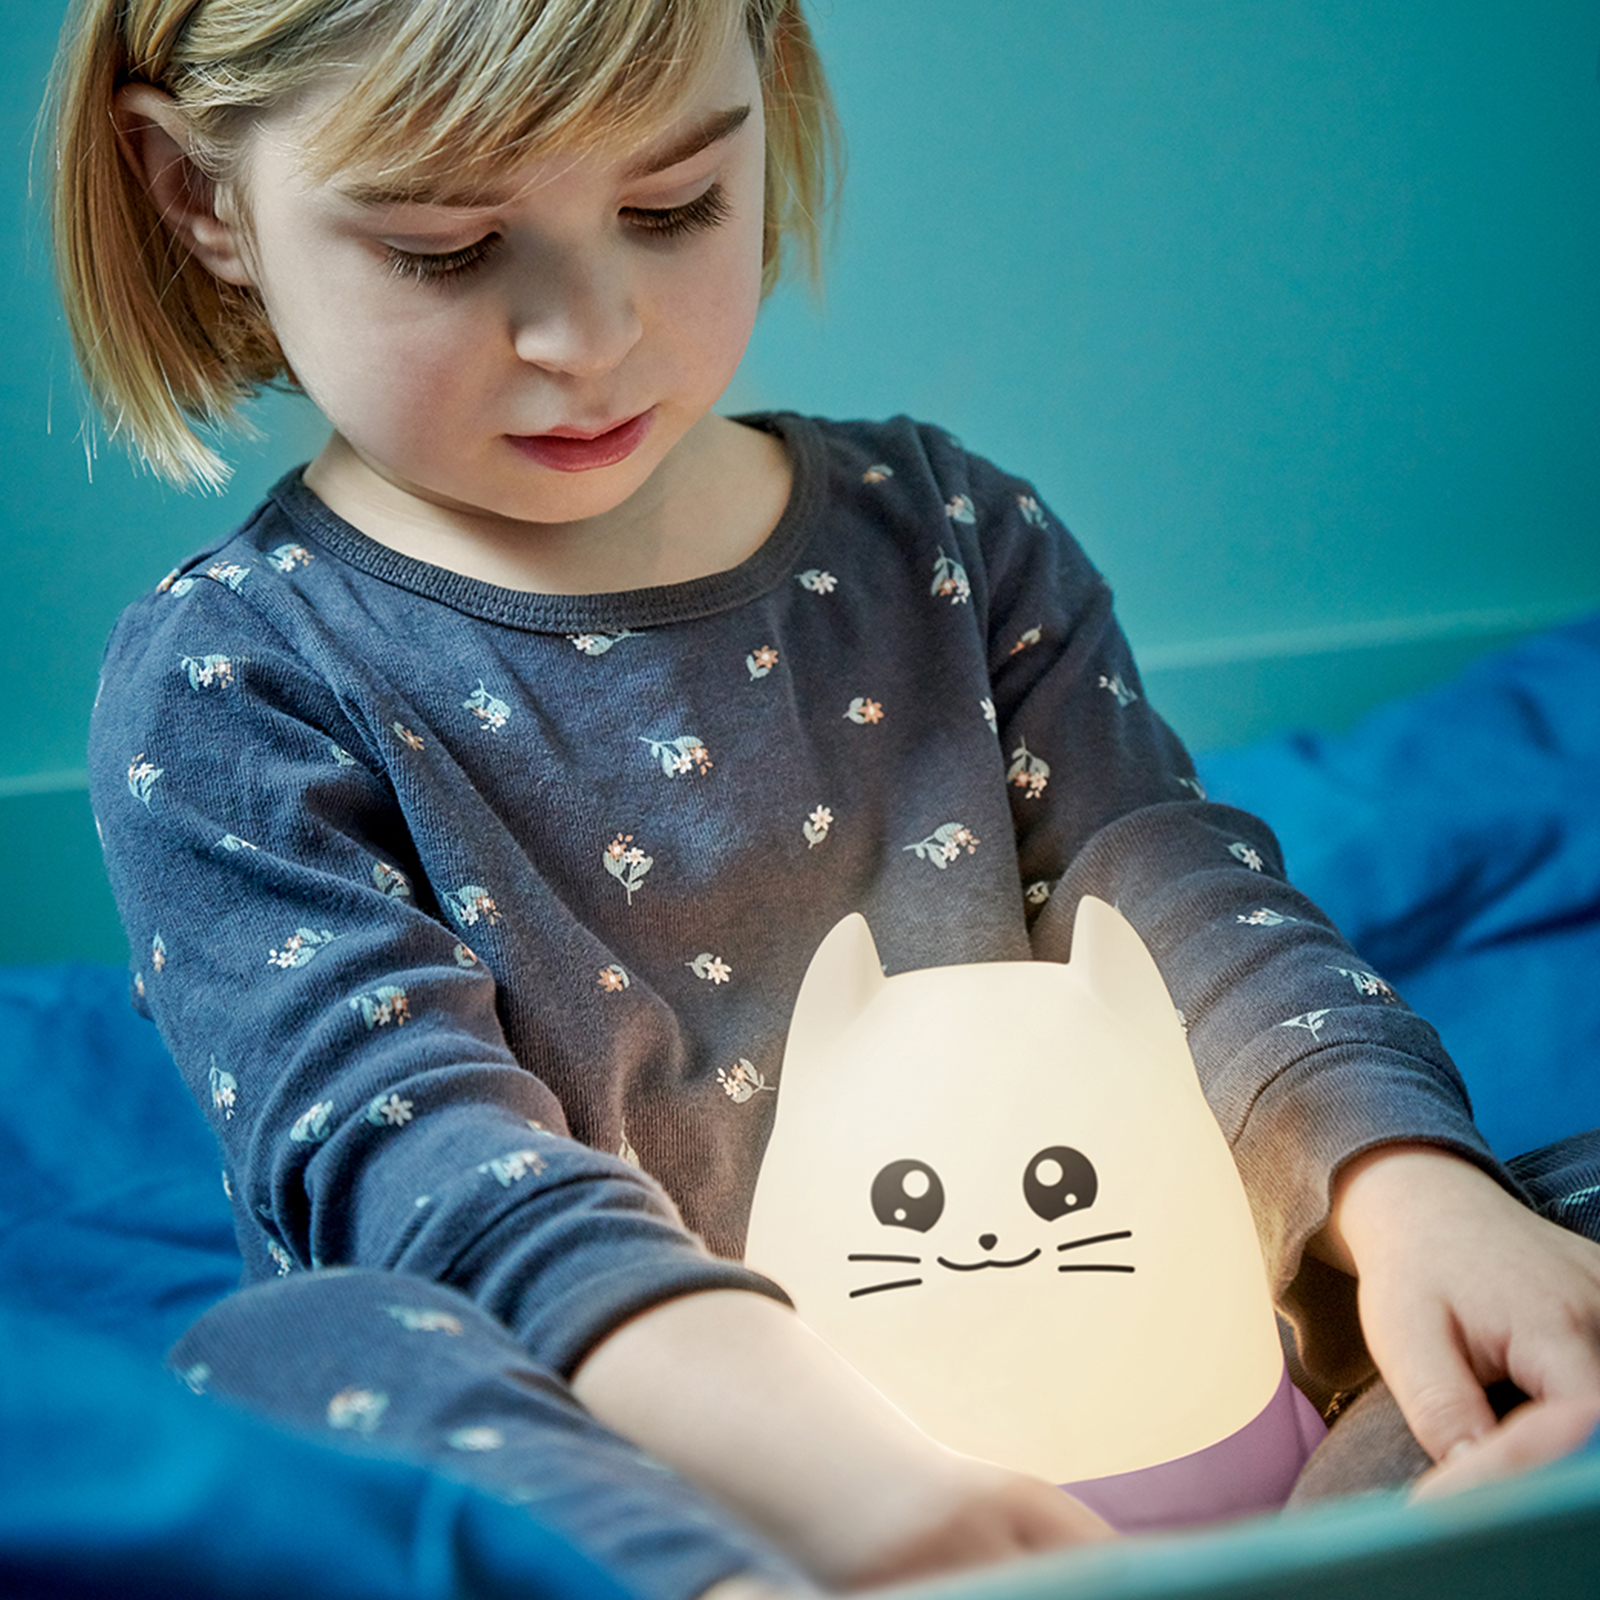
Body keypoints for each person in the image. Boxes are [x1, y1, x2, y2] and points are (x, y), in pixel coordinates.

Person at [49, 0, 1600, 1591]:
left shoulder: (948, 537)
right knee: (289, 1356)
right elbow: (409, 1154)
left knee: (1539, 1214)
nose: (591, 335)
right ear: (200, 196)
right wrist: (813, 1463)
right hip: (639, 1461)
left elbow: (1166, 884)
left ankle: (1349, 1521)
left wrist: (1407, 1189)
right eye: (446, 249)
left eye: (673, 206)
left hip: (1144, 1371)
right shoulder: (232, 684)